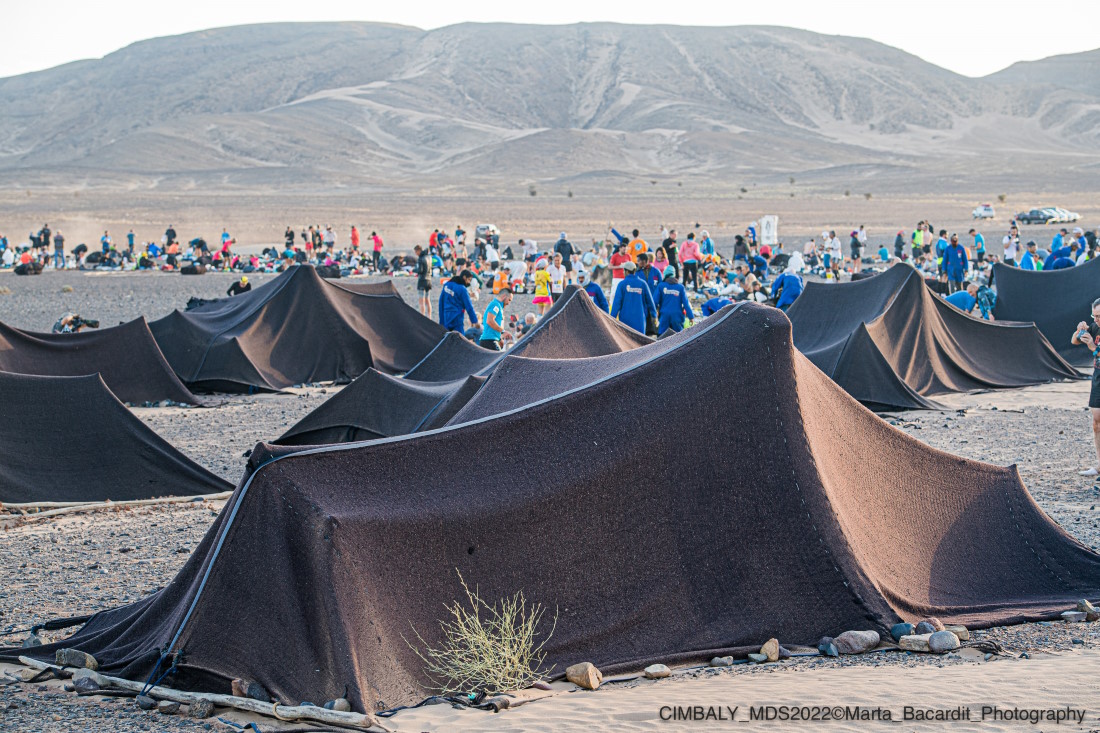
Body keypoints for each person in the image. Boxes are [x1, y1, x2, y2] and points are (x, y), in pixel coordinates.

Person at [1071, 299, 1100, 477]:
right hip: (1098, 375)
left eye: (1099, 316)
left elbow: (1094, 349)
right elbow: (1074, 341)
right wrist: (1079, 331)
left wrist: (1092, 347)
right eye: (1094, 316)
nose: (1096, 320)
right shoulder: (1095, 326)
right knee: (1096, 422)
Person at [611, 261, 657, 335]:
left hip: (625, 321)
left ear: (626, 271)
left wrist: (611, 319)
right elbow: (650, 302)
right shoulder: (642, 283)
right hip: (640, 321)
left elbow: (617, 303)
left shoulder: (622, 284)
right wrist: (654, 315)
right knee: (640, 342)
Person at [656, 267, 694, 335]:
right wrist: (691, 317)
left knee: (661, 337)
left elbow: (655, 302)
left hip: (665, 315)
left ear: (665, 274)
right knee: (678, 337)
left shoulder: (661, 286)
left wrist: (654, 314)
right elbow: (686, 303)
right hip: (677, 316)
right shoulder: (680, 287)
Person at [414, 245, 432, 317]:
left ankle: (423, 317)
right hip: (429, 280)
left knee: (421, 301)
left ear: (419, 250)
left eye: (416, 252)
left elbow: (420, 270)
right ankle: (429, 317)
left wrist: (414, 270)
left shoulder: (421, 258)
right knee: (428, 300)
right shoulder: (429, 257)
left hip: (422, 280)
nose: (416, 254)